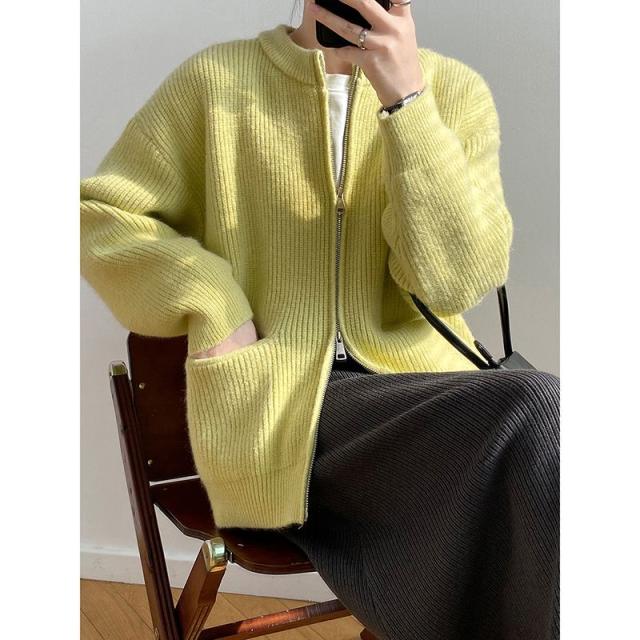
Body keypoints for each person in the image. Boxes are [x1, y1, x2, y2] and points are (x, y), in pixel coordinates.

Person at [80, 1, 559, 638]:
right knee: (537, 415)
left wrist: (408, 102)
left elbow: (456, 282)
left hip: (419, 403)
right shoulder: (216, 83)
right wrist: (212, 299)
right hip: (279, 404)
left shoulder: (454, 92)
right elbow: (101, 218)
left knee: (543, 426)